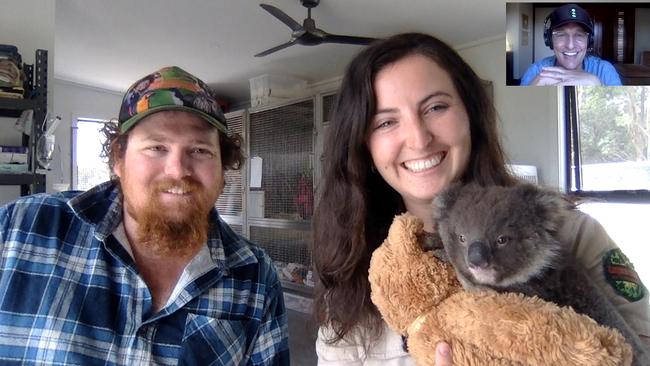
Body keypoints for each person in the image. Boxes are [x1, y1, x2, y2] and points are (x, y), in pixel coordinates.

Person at [312, 32, 649, 365]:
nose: (418, 138)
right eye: (386, 122)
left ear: (471, 115)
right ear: (364, 147)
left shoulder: (571, 234)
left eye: (435, 107)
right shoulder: (354, 277)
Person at [0, 66, 290, 365]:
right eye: (156, 147)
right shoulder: (19, 229)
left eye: (200, 150)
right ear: (118, 159)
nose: (178, 170)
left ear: (223, 167)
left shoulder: (254, 275)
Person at [520, 3, 621, 86]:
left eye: (579, 35)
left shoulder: (604, 71)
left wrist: (598, 85)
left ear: (589, 40)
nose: (570, 45)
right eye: (561, 35)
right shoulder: (535, 71)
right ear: (549, 40)